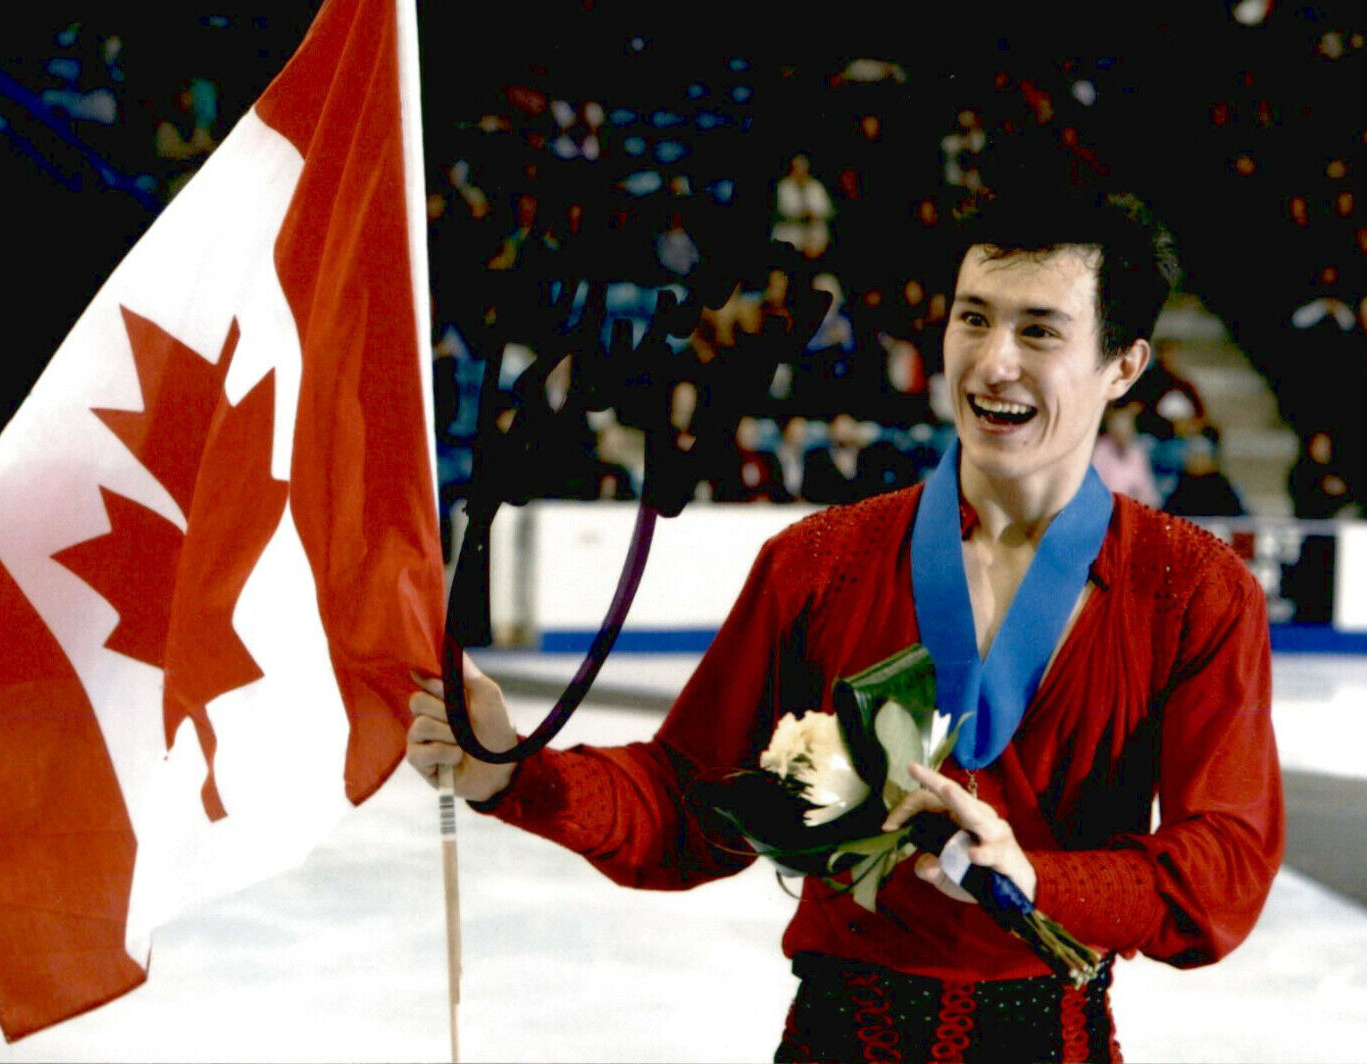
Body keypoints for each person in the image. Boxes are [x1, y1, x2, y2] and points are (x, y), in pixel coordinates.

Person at [406, 187, 1283, 1061]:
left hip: (1052, 1040)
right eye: (972, 319)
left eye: (1039, 331)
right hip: (838, 1038)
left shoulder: (1193, 592)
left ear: (1124, 366)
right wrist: (510, 771)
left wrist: (1038, 879)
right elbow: (689, 805)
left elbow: (1225, 869)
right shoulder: (821, 562)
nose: (992, 362)